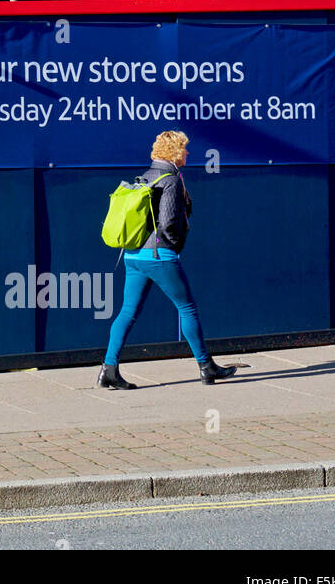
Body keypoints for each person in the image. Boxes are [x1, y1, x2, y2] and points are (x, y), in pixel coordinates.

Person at [98, 129, 237, 389]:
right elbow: (169, 222)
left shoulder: (145, 176)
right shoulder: (171, 179)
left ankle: (109, 370)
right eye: (184, 148)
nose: (188, 153)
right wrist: (173, 247)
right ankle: (206, 367)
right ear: (174, 152)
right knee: (187, 308)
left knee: (127, 312)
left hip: (133, 255)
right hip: (158, 255)